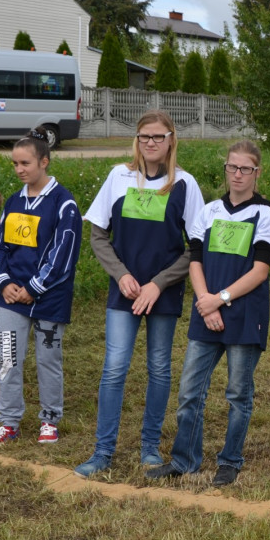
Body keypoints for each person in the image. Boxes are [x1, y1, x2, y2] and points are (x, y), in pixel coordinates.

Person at [147, 140, 270, 486]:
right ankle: (184, 459)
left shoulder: (264, 215)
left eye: (246, 169)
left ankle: (230, 460)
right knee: (190, 392)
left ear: (257, 173)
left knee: (238, 393)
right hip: (206, 312)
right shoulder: (208, 212)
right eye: (232, 167)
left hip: (243, 315)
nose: (237, 175)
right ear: (225, 169)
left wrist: (219, 299)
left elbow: (260, 271)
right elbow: (196, 261)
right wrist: (205, 301)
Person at [75, 111, 204, 477]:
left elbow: (196, 245)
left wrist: (158, 283)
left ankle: (149, 448)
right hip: (125, 290)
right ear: (137, 139)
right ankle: (102, 453)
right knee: (114, 368)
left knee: (159, 368)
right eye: (144, 136)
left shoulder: (185, 184)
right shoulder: (118, 176)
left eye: (158, 137)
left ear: (170, 139)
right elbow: (98, 234)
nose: (150, 143)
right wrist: (121, 275)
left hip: (162, 291)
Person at [0, 130, 82, 448]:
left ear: (44, 161)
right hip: (12, 298)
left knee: (48, 359)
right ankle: (8, 421)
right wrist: (5, 282)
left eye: (25, 163)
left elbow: (63, 253)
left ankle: (49, 420)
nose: (19, 169)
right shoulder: (13, 201)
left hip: (48, 298)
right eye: (14, 164)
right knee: (9, 358)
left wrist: (34, 288)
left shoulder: (64, 204)